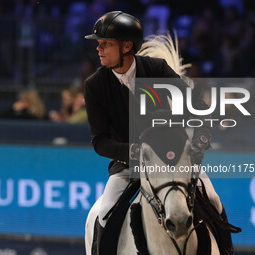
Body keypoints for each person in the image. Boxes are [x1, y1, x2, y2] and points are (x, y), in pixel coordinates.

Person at [84, 11, 234, 255]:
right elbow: (100, 141)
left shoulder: (156, 70)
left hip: (176, 157)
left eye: (105, 44)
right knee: (104, 212)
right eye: (98, 44)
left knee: (214, 201)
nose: (98, 49)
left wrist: (200, 140)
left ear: (127, 47)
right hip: (129, 164)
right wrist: (135, 152)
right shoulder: (95, 85)